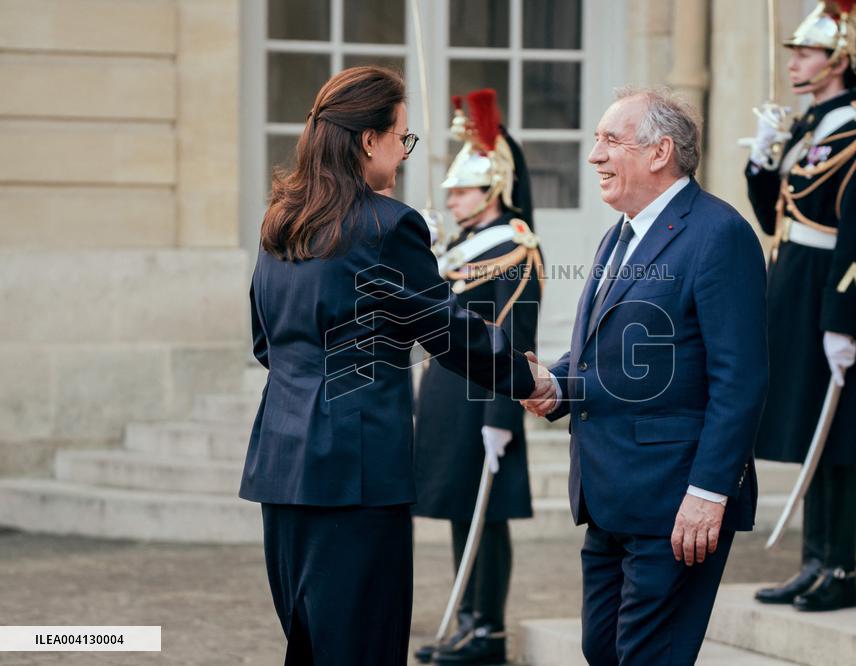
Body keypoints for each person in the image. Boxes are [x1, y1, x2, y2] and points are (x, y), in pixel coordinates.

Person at [237, 66, 551, 665]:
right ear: (368, 140)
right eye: (401, 137)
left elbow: (265, 342)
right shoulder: (387, 225)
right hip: (357, 470)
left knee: (309, 645)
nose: (405, 153)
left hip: (281, 463)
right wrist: (526, 377)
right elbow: (446, 331)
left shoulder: (281, 219)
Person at [523, 86, 768, 665]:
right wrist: (556, 385)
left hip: (675, 501)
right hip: (609, 495)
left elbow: (741, 379)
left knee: (647, 656)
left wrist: (708, 493)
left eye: (611, 140)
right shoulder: (621, 232)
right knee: (601, 648)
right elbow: (612, 354)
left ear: (660, 152)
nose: (594, 155)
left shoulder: (719, 233)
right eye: (596, 140)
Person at [746, 0, 856, 612]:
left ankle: (839, 568)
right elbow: (773, 216)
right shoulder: (810, 125)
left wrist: (842, 321)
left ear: (840, 58)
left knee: (839, 438)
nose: (795, 62)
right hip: (793, 286)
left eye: (806, 53)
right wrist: (761, 160)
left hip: (829, 292)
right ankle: (812, 562)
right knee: (812, 429)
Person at [412, 89, 543, 666]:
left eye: (462, 190)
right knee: (461, 513)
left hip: (482, 400)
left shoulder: (516, 247)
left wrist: (502, 415)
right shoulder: (460, 247)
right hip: (446, 396)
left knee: (486, 519)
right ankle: (467, 621)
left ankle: (487, 630)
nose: (453, 198)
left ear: (492, 188)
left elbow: (515, 339)